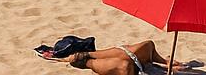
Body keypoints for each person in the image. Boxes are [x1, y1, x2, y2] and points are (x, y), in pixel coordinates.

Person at [56, 42, 190, 73]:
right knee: (147, 46)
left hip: (128, 65)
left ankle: (166, 64)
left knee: (124, 64)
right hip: (131, 62)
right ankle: (166, 63)